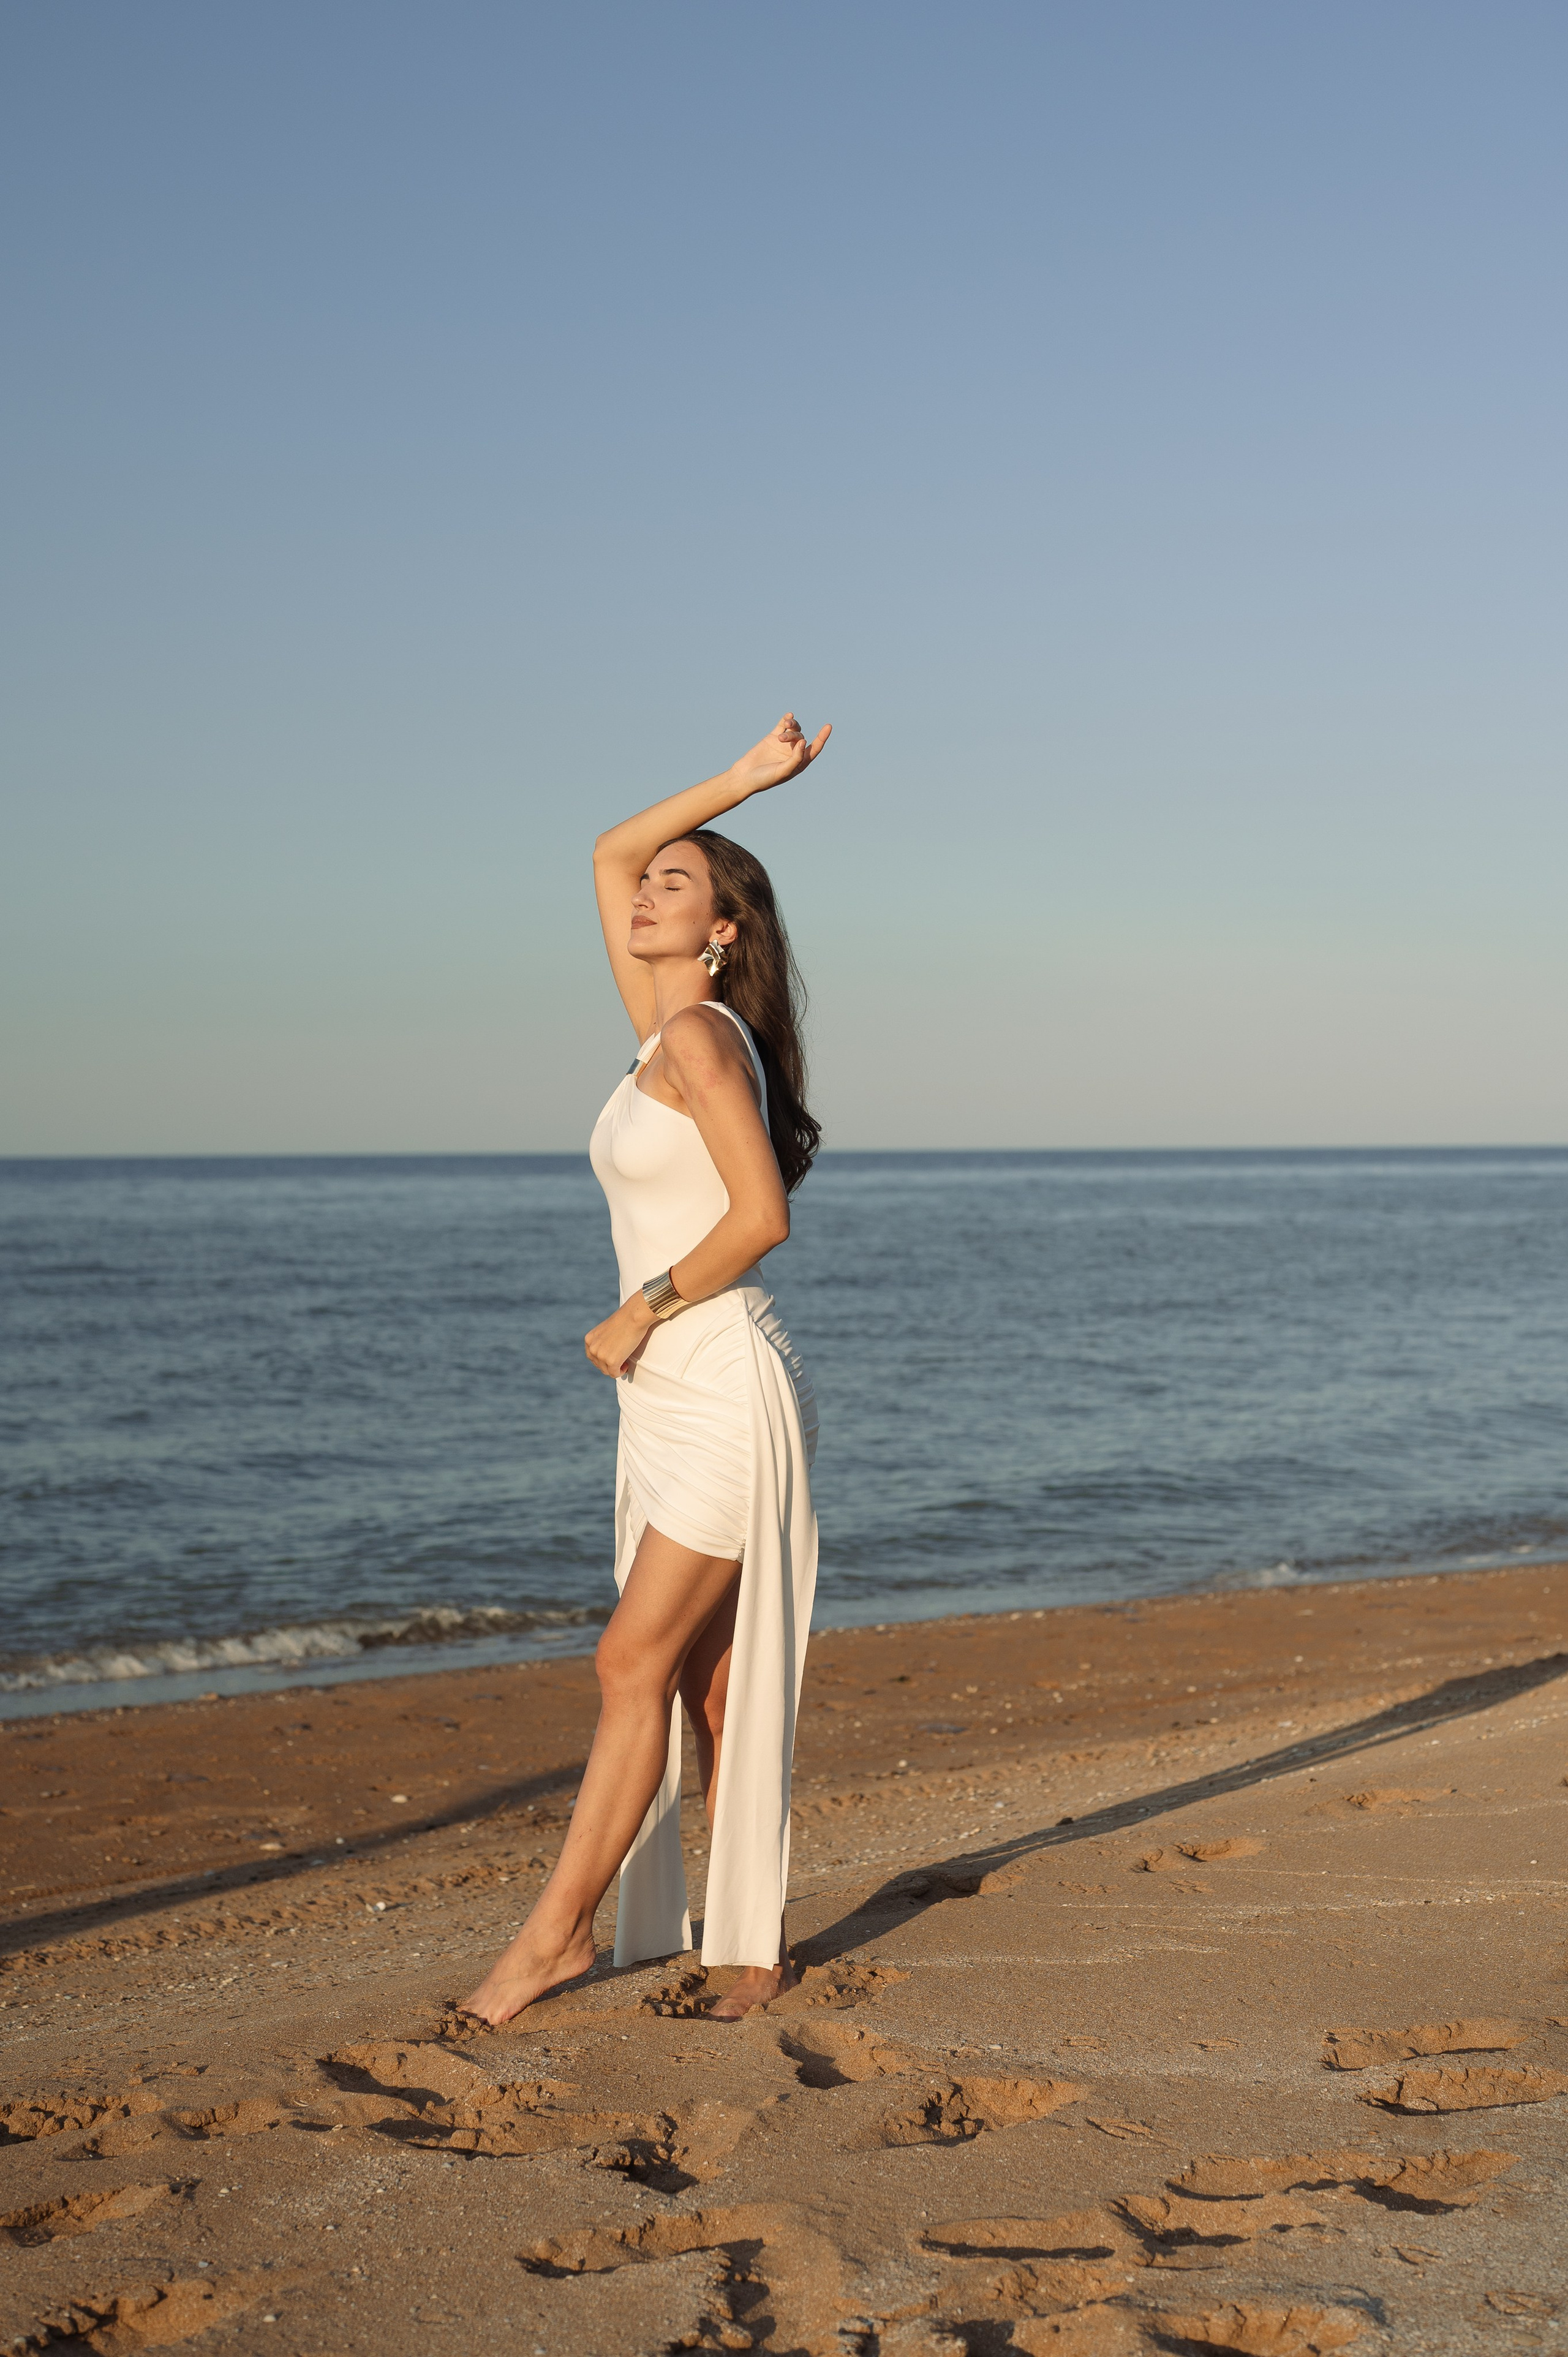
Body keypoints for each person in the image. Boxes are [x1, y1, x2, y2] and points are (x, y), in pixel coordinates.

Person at [462, 712, 831, 2024]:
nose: (644, 892)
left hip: (717, 1379)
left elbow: (760, 1216)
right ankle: (746, 1945)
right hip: (669, 1397)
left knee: (630, 1665)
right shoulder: (659, 1033)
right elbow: (608, 851)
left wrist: (643, 1306)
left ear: (722, 929)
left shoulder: (702, 1040)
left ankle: (552, 1939)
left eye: (678, 885)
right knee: (706, 1682)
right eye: (652, 884)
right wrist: (741, 783)